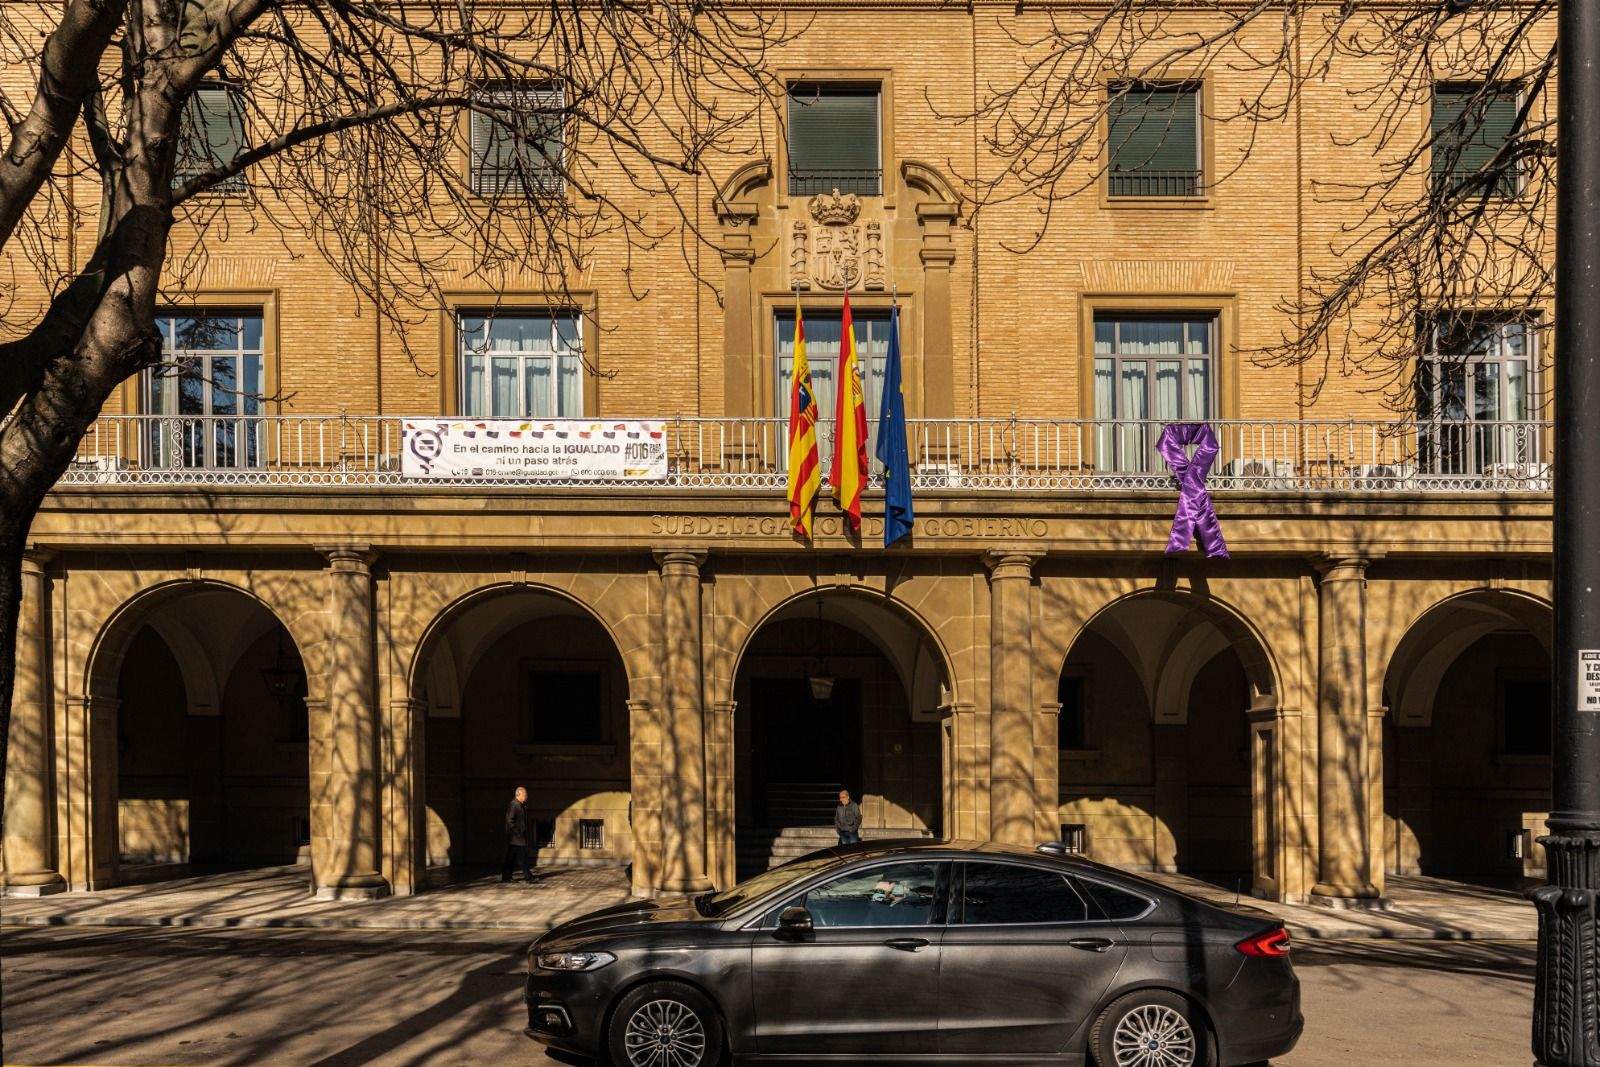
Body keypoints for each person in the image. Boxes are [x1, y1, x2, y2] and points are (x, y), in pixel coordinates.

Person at [501, 785, 533, 883]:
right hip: (516, 838)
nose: (526, 796)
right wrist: (517, 832)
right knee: (522, 858)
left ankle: (506, 877)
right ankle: (529, 877)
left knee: (511, 858)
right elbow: (510, 821)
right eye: (525, 794)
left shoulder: (520, 805)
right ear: (519, 795)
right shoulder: (514, 805)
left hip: (516, 838)